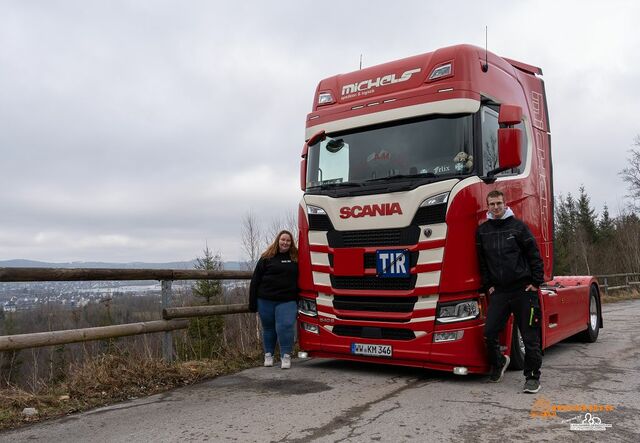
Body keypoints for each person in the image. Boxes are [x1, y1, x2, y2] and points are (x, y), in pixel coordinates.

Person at [476, 190, 545, 393]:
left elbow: (534, 254)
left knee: (530, 337)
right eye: (492, 204)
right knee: (489, 333)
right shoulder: (482, 231)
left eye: (499, 203)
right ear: (487, 206)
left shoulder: (518, 227)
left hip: (523, 290)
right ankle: (498, 363)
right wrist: (488, 284)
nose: (495, 207)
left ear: (505, 205)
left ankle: (532, 377)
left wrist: (536, 282)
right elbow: (482, 262)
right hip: (500, 292)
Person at [249, 230, 299, 369]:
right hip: (265, 300)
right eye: (283, 240)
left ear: (291, 243)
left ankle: (286, 356)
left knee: (285, 327)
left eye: (288, 240)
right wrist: (252, 303)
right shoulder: (267, 257)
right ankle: (269, 355)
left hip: (287, 300)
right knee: (269, 328)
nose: (285, 242)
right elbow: (255, 280)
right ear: (278, 241)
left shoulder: (296, 258)